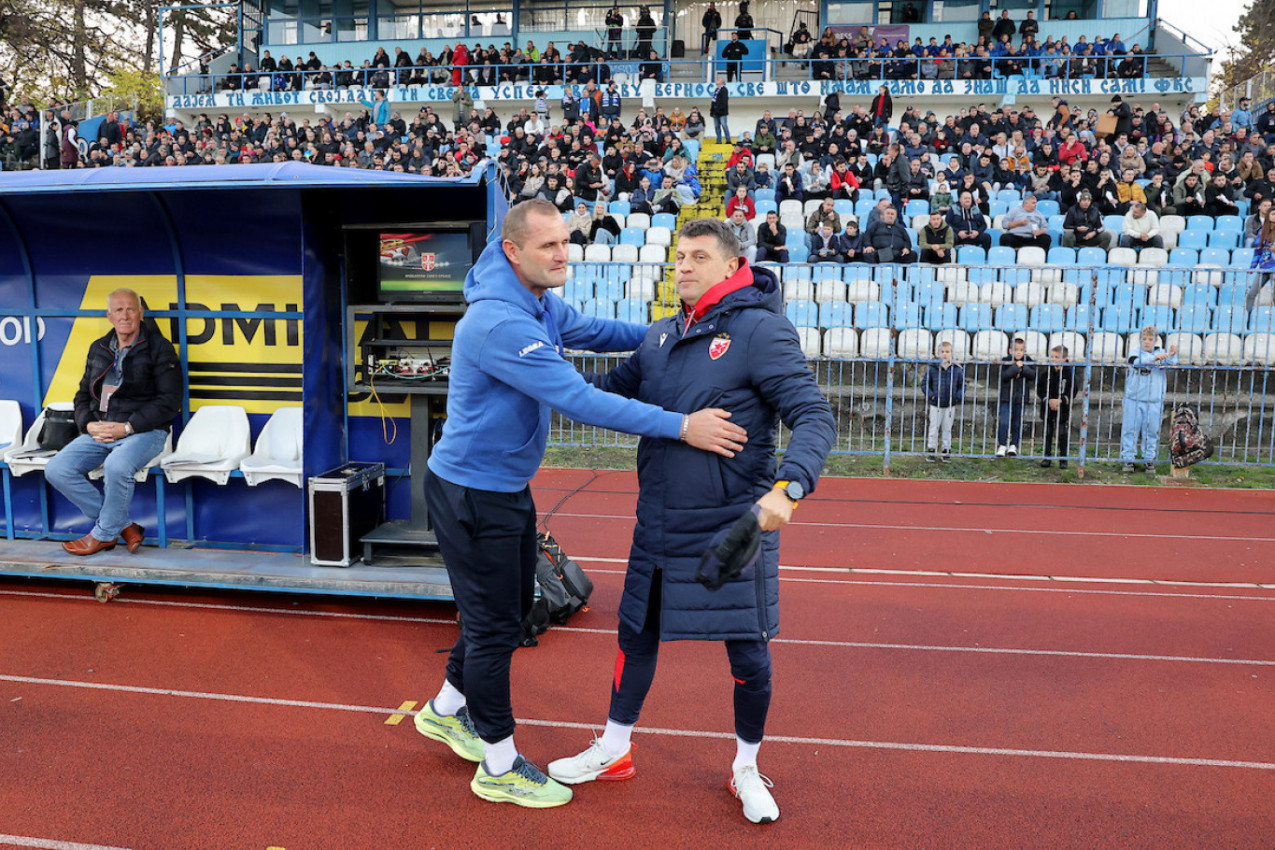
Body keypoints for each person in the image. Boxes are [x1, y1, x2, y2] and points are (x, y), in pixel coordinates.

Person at [415, 200, 749, 809]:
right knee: (493, 632)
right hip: (471, 494)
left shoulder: (535, 300)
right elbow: (579, 398)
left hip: (503, 487)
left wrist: (678, 333)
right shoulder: (500, 323)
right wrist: (682, 425)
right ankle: (498, 765)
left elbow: (598, 332)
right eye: (547, 246)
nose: (562, 254)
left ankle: (444, 710)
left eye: (564, 242)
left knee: (515, 611)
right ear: (513, 251)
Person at [547, 216, 836, 825]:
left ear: (731, 267)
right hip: (657, 523)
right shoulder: (658, 338)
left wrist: (791, 485)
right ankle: (615, 749)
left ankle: (746, 766)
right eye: (679, 256)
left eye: (697, 257)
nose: (682, 266)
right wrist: (534, 369)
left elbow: (813, 414)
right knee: (635, 638)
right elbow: (604, 393)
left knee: (748, 657)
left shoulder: (760, 330)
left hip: (730, 527)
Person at [45, 289, 181, 556]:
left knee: (117, 466)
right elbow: (82, 395)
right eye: (119, 310)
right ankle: (124, 526)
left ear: (141, 314)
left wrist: (127, 427)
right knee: (57, 469)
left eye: (131, 309)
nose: (125, 315)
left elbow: (169, 401)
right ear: (109, 316)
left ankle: (104, 534)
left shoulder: (159, 347)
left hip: (144, 431)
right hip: (101, 429)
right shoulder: (99, 347)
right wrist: (88, 426)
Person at [1119, 326, 1178, 474]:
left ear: (1156, 340)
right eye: (1144, 339)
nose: (1147, 342)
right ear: (1140, 340)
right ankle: (1128, 458)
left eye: (1150, 339)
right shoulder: (1134, 353)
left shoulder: (1161, 354)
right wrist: (1154, 358)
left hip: (1154, 400)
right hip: (1134, 399)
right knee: (1130, 430)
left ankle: (1149, 459)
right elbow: (1136, 363)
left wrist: (1172, 355)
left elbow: (1171, 366)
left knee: (1152, 431)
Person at [1035, 344, 1077, 468]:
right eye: (1052, 356)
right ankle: (1046, 457)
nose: (1053, 359)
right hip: (1047, 407)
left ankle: (1063, 458)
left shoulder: (1069, 373)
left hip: (1062, 408)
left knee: (1062, 432)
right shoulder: (1046, 372)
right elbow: (1040, 389)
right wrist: (1047, 400)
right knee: (1047, 432)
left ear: (1065, 358)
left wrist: (1061, 400)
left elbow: (1072, 390)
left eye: (1057, 357)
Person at [924, 340, 964, 462]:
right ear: (937, 353)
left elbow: (962, 385)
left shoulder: (956, 369)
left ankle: (946, 449)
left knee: (947, 427)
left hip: (950, 404)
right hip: (936, 404)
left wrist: (957, 396)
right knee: (934, 426)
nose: (944, 354)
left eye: (947, 352)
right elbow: (925, 384)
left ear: (951, 353)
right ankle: (931, 449)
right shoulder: (933, 368)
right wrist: (931, 395)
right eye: (942, 352)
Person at [995, 336, 1036, 458]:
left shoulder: (1028, 361)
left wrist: (1022, 368)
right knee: (1004, 421)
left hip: (1020, 396)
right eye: (1016, 349)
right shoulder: (1005, 361)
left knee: (1017, 422)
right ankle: (1002, 444)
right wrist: (1015, 368)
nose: (1018, 352)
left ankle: (1013, 444)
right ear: (1010, 350)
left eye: (1021, 350)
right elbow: (1004, 375)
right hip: (1006, 396)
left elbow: (1033, 374)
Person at [1245, 207, 1275, 311]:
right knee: (1251, 294)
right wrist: (1252, 266)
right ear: (1268, 216)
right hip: (1263, 267)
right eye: (1273, 214)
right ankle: (1246, 320)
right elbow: (1257, 251)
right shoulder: (1262, 231)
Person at [710, 76, 730, 144]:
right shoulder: (716, 90)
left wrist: (719, 109)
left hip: (722, 112)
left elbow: (724, 101)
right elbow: (713, 101)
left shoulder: (724, 89)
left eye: (718, 79)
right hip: (715, 113)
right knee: (716, 127)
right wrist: (712, 111)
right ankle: (719, 141)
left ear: (721, 82)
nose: (716, 80)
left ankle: (728, 140)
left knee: (724, 126)